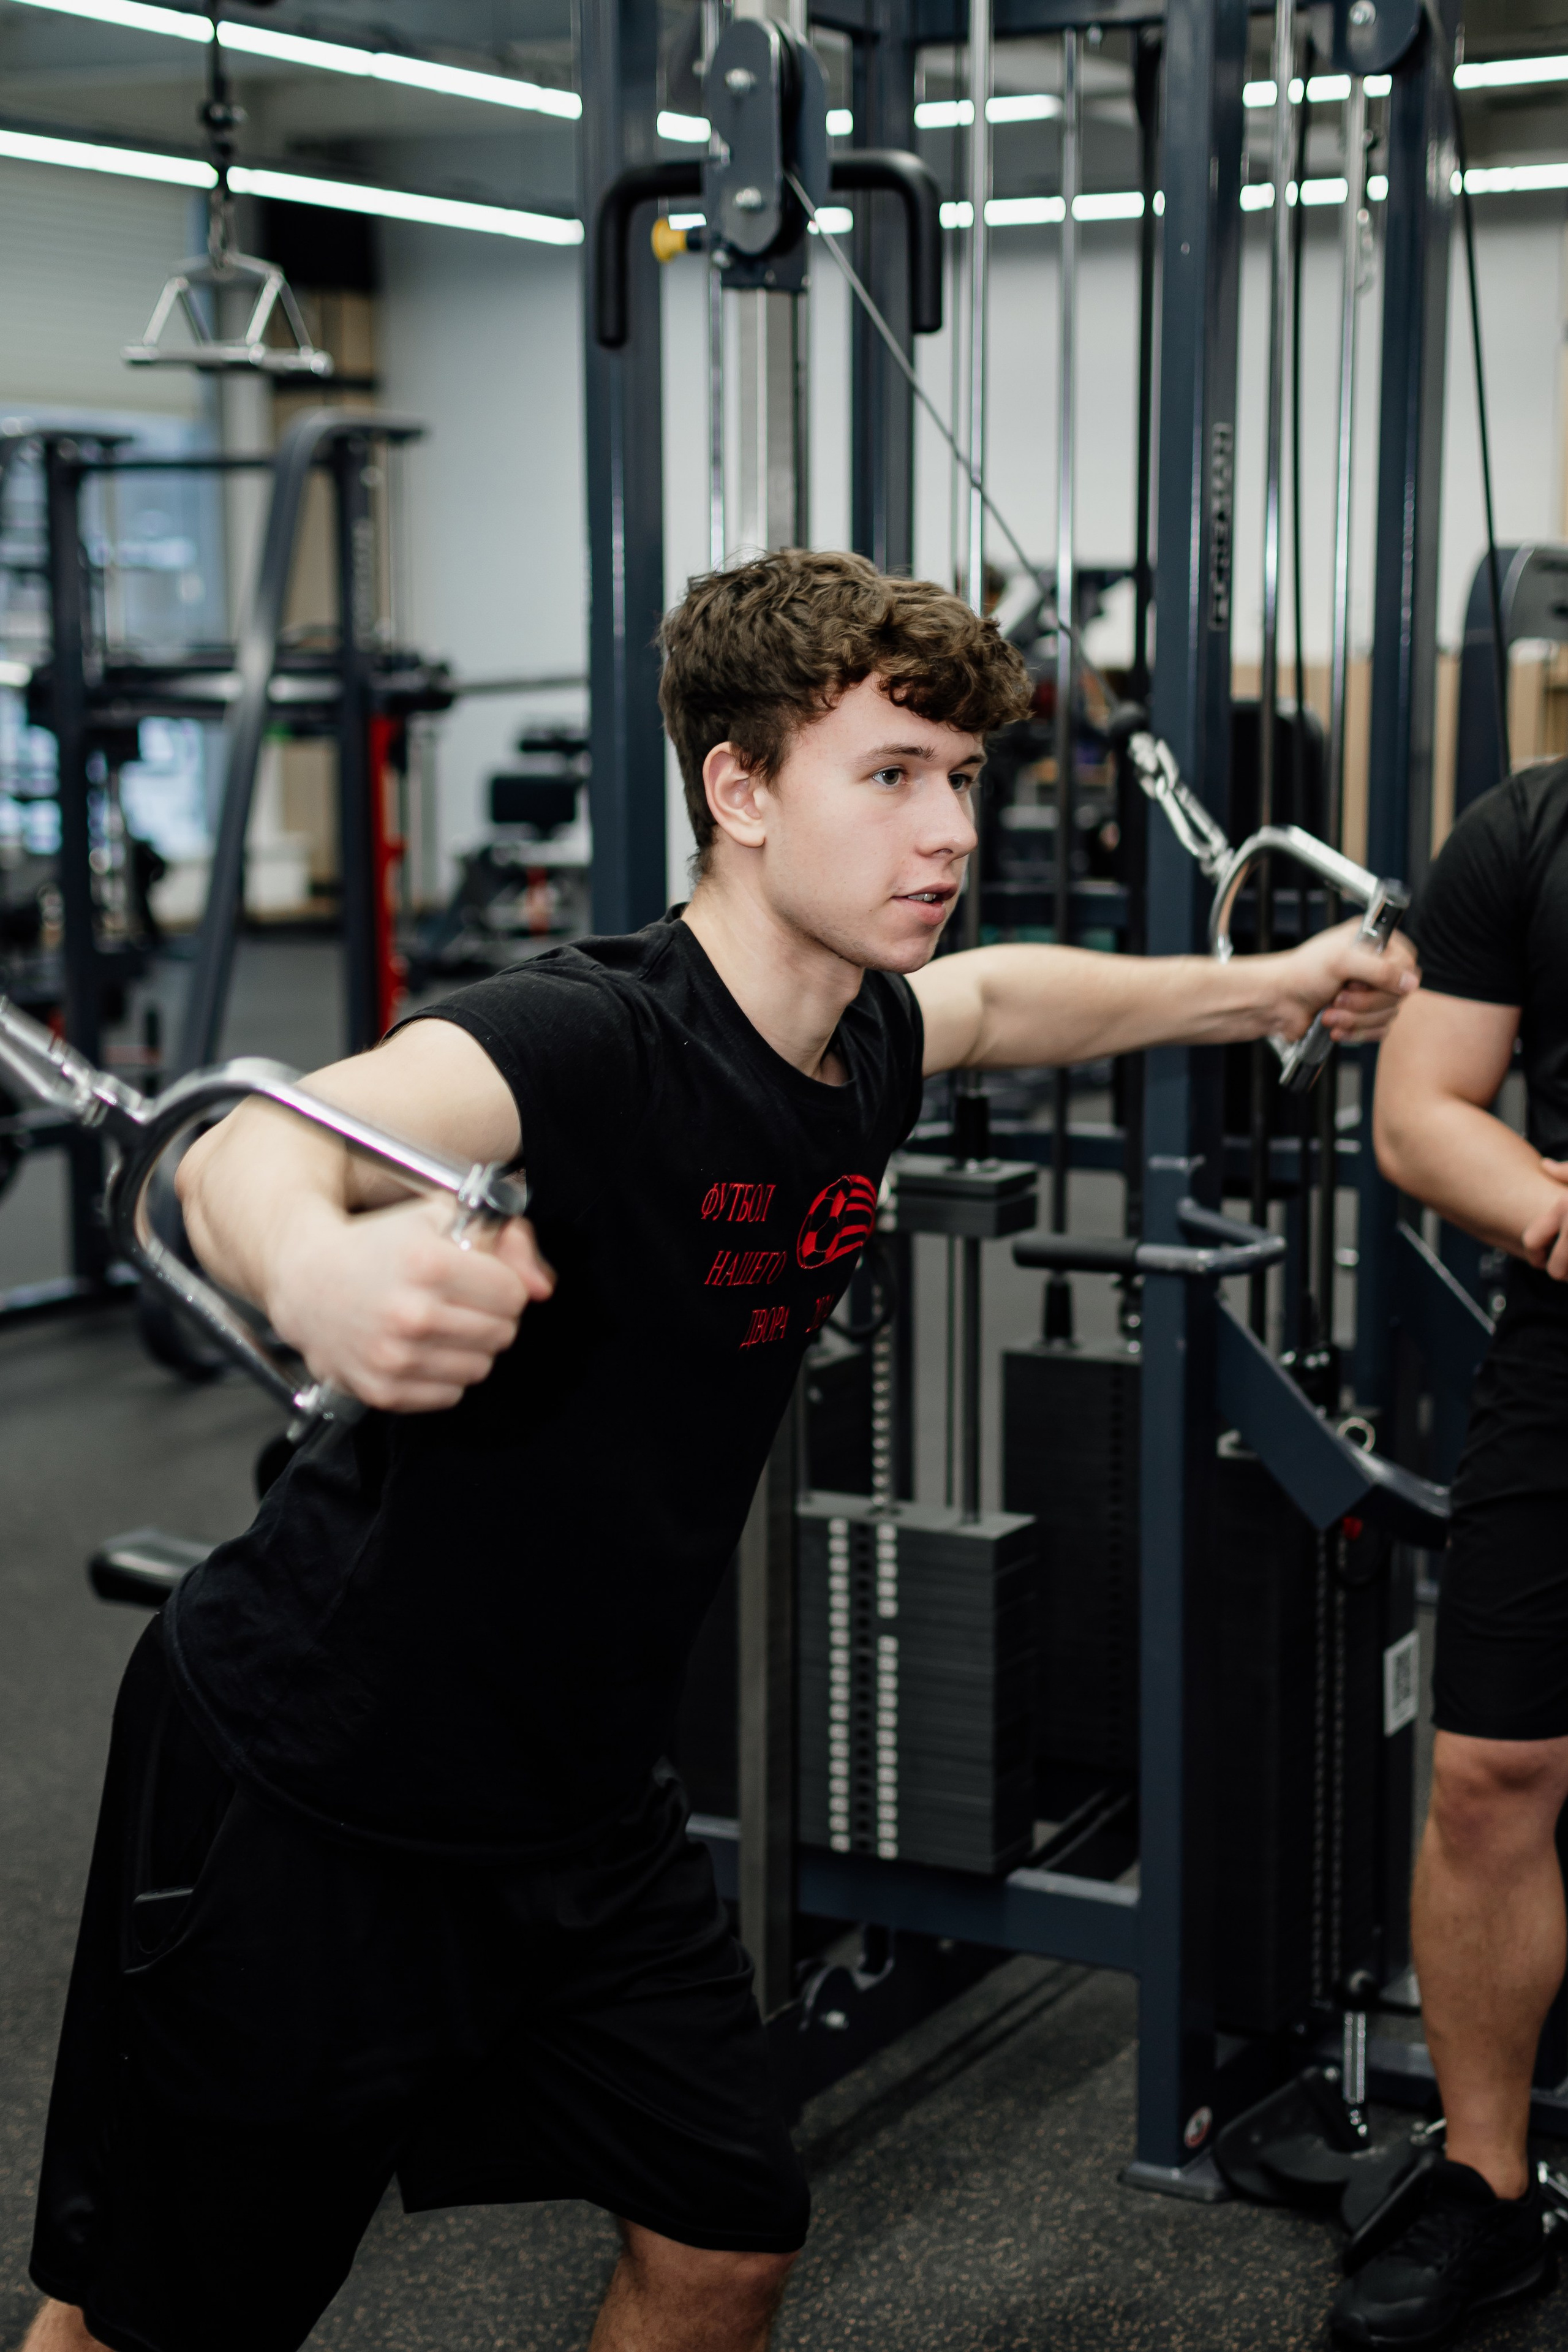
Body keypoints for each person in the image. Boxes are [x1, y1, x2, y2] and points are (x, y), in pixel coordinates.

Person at [26, 549, 1416, 2352]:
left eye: (960, 778)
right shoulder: (591, 1034)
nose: (948, 831)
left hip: (583, 1794)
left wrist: (1269, 985)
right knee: (155, 2321)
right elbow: (246, 1152)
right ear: (739, 791)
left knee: (725, 2236)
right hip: (319, 1777)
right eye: (889, 775)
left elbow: (1008, 1004)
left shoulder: (866, 1040)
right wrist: (318, 1269)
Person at [1334, 756, 1568, 2348]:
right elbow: (1421, 1116)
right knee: (1489, 1772)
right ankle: (1488, 2181)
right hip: (1565, 1337)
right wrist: (1554, 1213)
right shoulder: (1528, 833)